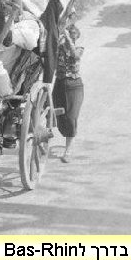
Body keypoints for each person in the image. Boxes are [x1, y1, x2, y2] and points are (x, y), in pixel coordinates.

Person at [53, 24, 84, 163]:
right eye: (68, 33)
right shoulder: (59, 48)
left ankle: (68, 150)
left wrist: (67, 38)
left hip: (74, 86)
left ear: (76, 36)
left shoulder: (79, 48)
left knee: (71, 117)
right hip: (59, 84)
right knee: (58, 116)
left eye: (72, 34)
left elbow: (75, 55)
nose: (70, 35)